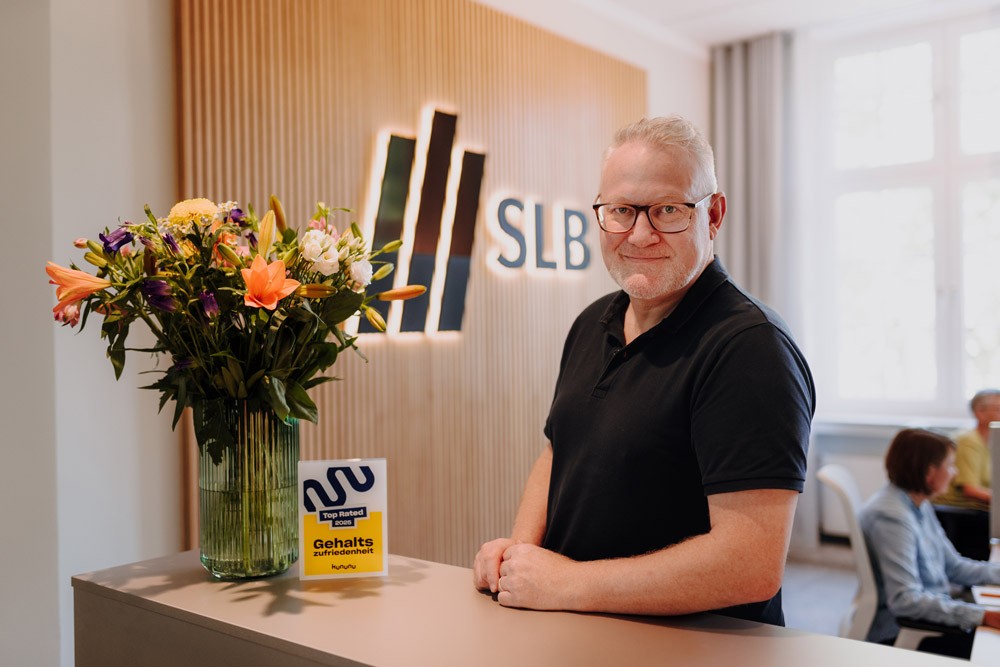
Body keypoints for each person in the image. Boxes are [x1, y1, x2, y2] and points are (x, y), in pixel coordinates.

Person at [472, 115, 815, 626]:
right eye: (621, 211)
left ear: (714, 214)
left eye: (667, 210)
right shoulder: (592, 323)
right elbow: (558, 451)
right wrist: (518, 559)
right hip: (579, 626)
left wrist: (567, 583)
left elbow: (751, 564)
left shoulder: (750, 347)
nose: (639, 233)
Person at [859, 428, 1000, 659]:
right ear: (929, 472)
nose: (955, 473)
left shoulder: (918, 502)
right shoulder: (892, 516)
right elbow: (906, 600)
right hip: (911, 629)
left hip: (934, 609)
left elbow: (954, 566)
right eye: (951, 465)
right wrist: (982, 616)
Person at [935, 389, 999, 512]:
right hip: (959, 511)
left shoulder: (992, 440)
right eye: (998, 409)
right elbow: (970, 490)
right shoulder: (968, 441)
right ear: (980, 412)